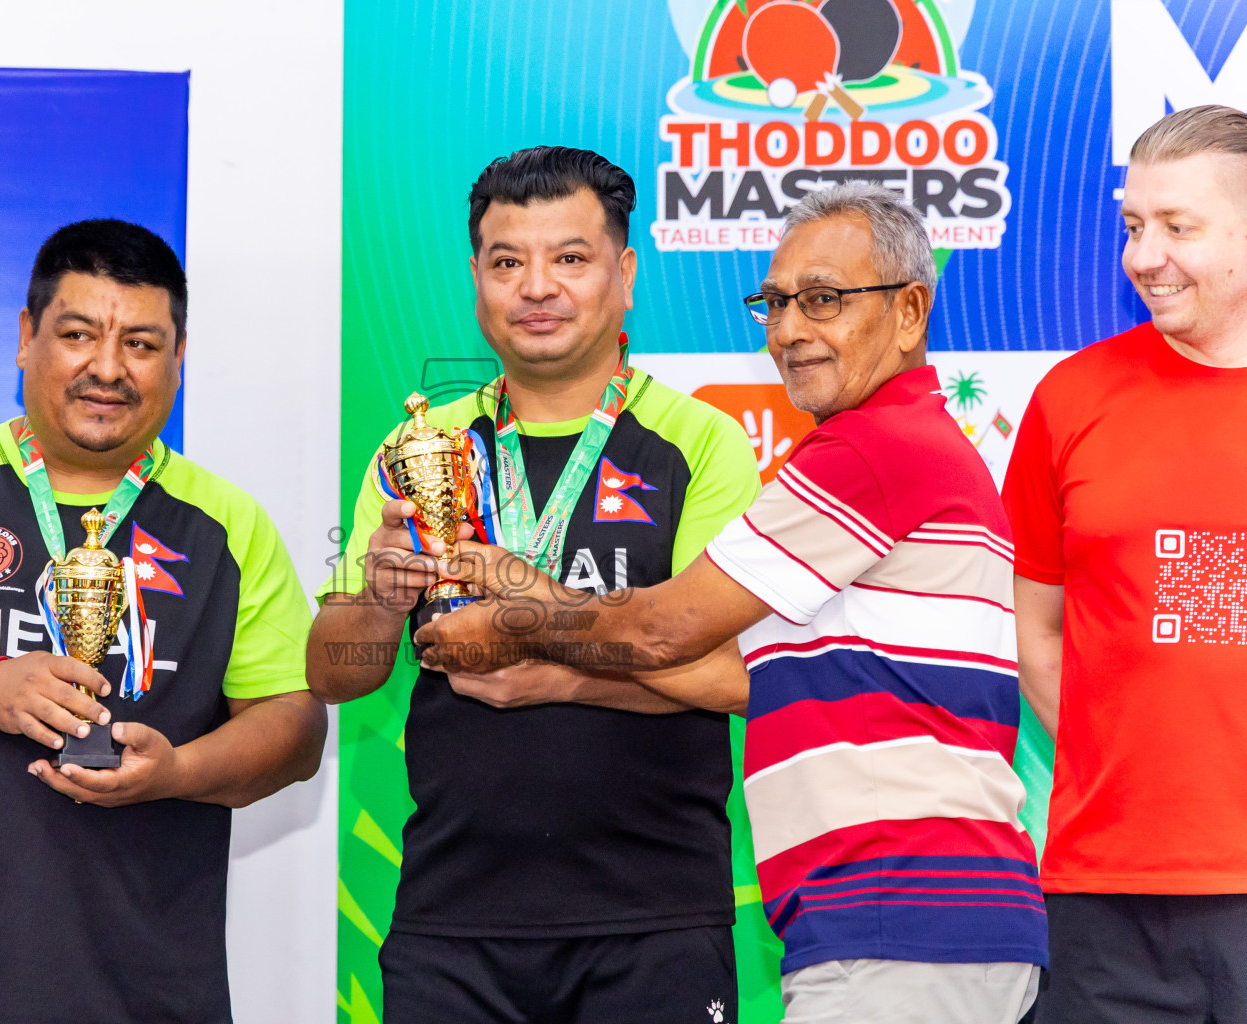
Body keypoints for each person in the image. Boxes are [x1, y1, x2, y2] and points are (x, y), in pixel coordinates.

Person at [418, 181, 1047, 1024]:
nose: (788, 330)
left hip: (903, 913)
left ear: (908, 312)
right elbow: (725, 670)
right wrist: (552, 671)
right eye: (776, 303)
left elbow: (663, 630)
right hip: (898, 919)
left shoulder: (870, 451)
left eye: (823, 300)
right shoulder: (885, 449)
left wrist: (518, 600)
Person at [0, 219, 326, 1024]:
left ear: (179, 357)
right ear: (25, 337)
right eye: (78, 335)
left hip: (147, 997)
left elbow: (294, 725)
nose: (108, 368)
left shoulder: (227, 524)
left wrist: (179, 773)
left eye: (141, 344)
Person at [309, 146, 760, 1022]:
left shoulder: (700, 443)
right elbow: (335, 673)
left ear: (626, 275)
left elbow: (730, 676)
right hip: (452, 922)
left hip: (653, 918)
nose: (537, 287)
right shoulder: (419, 448)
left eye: (571, 258)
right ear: (476, 280)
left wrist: (557, 671)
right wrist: (380, 596)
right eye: (508, 262)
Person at [1002, 104, 1247, 1024]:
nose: (1145, 256)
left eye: (1178, 226)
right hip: (1105, 895)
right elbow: (1034, 626)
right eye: (1134, 226)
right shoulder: (1071, 398)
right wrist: (1123, 764)